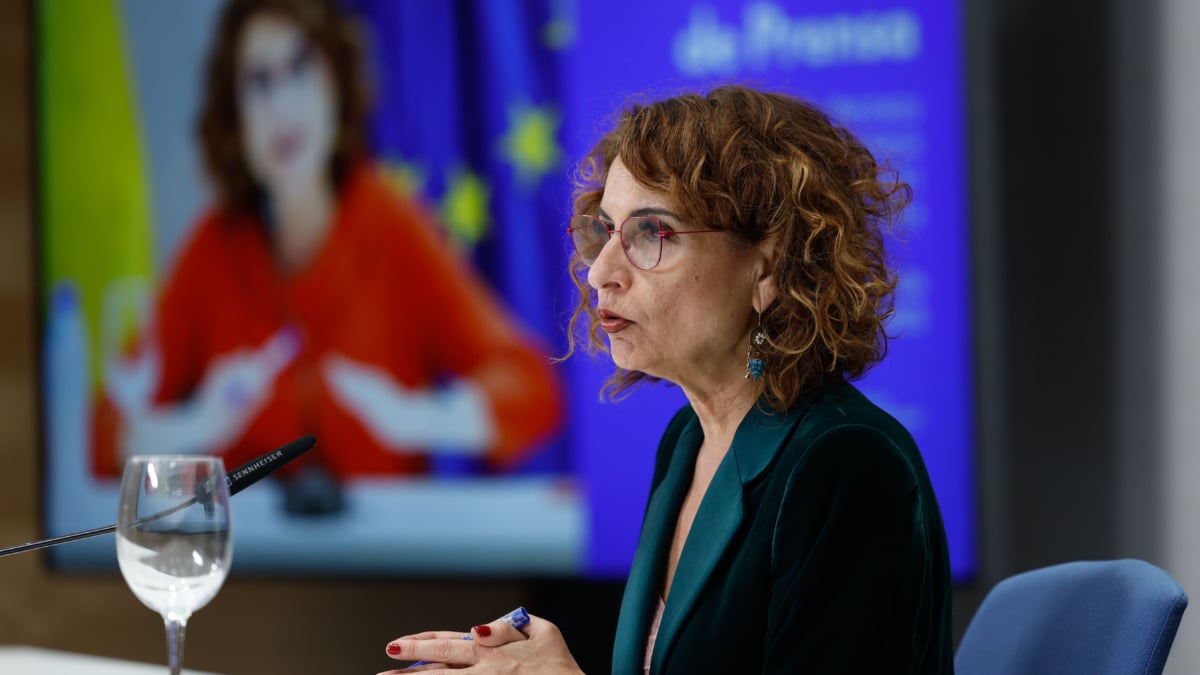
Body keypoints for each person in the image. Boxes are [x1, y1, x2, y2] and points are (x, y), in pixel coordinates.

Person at [379, 85, 954, 673]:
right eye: (604, 230)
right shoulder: (686, 443)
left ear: (768, 266)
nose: (602, 272)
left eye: (651, 233)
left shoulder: (848, 463)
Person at [91, 0, 563, 501]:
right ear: (235, 119)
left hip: (386, 571)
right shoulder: (214, 247)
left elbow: (531, 388)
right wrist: (196, 423)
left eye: (300, 69)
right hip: (246, 570)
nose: (283, 105)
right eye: (259, 82)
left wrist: (416, 417)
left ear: (335, 85)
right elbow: (102, 434)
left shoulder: (390, 224)